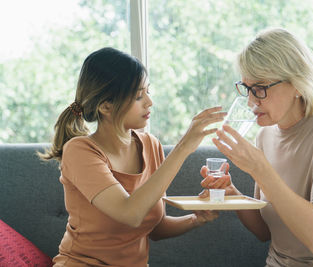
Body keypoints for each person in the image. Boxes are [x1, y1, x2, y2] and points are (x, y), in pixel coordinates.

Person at [200, 28, 313, 266]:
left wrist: (260, 169)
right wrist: (233, 195)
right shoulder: (265, 136)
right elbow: (265, 232)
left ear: (296, 83)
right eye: (246, 88)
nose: (251, 101)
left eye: (260, 88)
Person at [39, 47, 226, 266]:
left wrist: (196, 218)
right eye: (138, 96)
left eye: (148, 91)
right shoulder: (80, 151)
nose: (149, 101)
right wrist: (183, 147)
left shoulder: (150, 145)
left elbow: (155, 227)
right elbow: (130, 214)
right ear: (106, 106)